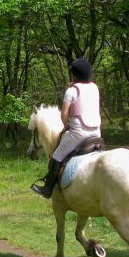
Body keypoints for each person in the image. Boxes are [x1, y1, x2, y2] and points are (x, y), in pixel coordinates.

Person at [31, 57, 101, 198]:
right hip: (96, 133)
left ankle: (47, 189)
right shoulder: (94, 87)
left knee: (56, 156)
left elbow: (64, 115)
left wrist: (67, 126)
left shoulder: (71, 91)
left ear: (74, 75)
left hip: (78, 133)